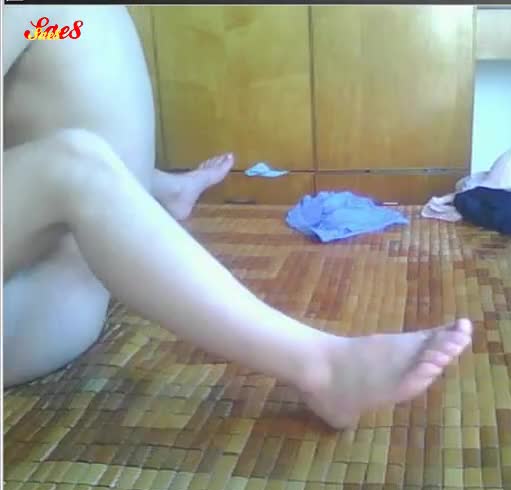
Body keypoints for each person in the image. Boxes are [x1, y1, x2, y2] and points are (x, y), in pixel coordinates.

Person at [2, 6, 472, 429]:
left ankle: (161, 189)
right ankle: (324, 368)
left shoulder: (44, 21)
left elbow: (57, 53)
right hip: (31, 311)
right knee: (73, 164)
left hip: (53, 298)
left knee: (76, 41)